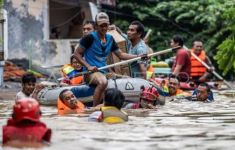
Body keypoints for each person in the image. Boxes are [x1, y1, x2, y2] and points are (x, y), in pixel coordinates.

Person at [74, 12, 145, 106]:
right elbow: (76, 54)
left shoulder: (110, 39)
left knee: (126, 78)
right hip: (91, 73)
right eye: (101, 25)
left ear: (108, 24)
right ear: (96, 26)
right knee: (103, 82)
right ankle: (95, 108)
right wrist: (89, 66)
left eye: (106, 25)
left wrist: (138, 56)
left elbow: (121, 55)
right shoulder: (89, 38)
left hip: (105, 72)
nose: (104, 28)